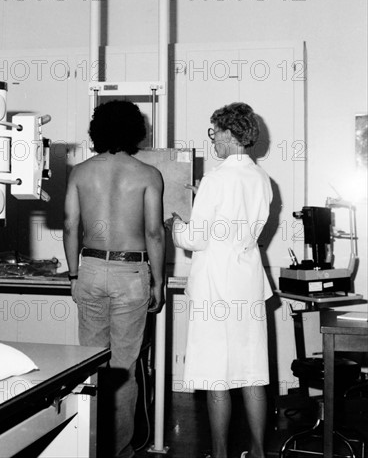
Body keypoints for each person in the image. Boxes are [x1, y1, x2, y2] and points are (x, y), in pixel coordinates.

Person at [167, 102, 272, 458]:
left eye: (215, 132)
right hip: (248, 281)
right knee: (251, 371)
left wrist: (176, 227)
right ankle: (258, 452)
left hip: (216, 286)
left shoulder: (215, 178)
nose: (213, 140)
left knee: (216, 374)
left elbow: (196, 239)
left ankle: (221, 453)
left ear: (228, 134)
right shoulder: (261, 179)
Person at [63, 100, 165, 458]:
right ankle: (119, 451)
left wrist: (73, 275)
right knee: (124, 368)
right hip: (131, 272)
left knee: (89, 365)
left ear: (97, 130)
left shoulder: (80, 172)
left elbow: (71, 225)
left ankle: (86, 446)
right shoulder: (148, 175)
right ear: (136, 131)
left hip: (90, 268)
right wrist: (159, 281)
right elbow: (154, 233)